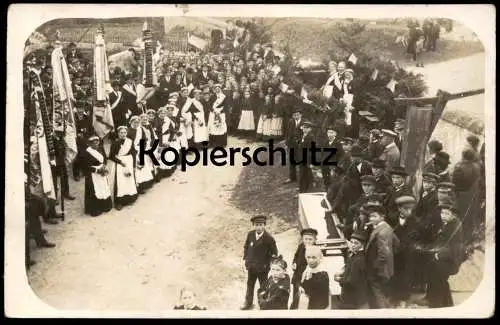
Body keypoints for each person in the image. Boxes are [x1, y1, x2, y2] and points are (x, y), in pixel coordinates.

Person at [416, 204, 465, 308]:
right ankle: (446, 303)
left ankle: (436, 304)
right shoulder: (447, 224)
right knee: (439, 279)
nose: (443, 215)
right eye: (442, 213)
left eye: (447, 213)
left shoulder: (454, 227)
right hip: (442, 257)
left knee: (438, 280)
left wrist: (440, 255)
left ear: (453, 215)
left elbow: (454, 246)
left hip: (448, 259)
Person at [364, 204, 399, 309]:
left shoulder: (382, 232)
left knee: (377, 292)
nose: (371, 219)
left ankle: (383, 311)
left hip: (379, 268)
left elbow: (383, 253)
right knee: (381, 291)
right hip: (384, 266)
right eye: (370, 216)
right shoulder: (387, 227)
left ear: (382, 217)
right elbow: (397, 244)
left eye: (374, 216)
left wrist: (377, 267)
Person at [241, 215, 278, 310]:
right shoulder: (250, 234)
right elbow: (246, 247)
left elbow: (274, 254)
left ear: (264, 225)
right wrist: (245, 259)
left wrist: (269, 265)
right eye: (256, 225)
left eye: (261, 224)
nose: (259, 227)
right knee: (250, 284)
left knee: (263, 287)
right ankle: (248, 303)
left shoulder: (269, 238)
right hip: (251, 267)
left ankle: (263, 304)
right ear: (254, 225)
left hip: (263, 268)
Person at [390, 195, 419, 307]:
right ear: (399, 209)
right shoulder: (393, 219)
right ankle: (395, 296)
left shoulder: (416, 222)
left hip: (408, 254)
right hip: (395, 253)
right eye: (405, 209)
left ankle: (404, 298)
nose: (409, 211)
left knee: (406, 276)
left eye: (410, 209)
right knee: (395, 273)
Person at [451, 148, 481, 249]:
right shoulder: (477, 166)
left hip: (461, 196)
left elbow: (454, 182)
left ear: (463, 155)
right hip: (472, 196)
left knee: (459, 218)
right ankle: (468, 241)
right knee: (469, 218)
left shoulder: (459, 166)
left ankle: (459, 242)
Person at [335, 229, 369, 309]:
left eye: (356, 243)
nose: (353, 245)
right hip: (358, 295)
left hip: (352, 297)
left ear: (362, 244)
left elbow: (351, 281)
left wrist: (338, 279)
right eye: (351, 242)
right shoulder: (358, 255)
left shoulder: (358, 260)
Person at [108, 126, 138, 210]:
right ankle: (119, 202)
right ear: (118, 133)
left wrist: (134, 165)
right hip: (119, 163)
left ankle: (129, 198)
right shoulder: (115, 143)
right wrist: (120, 162)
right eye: (121, 133)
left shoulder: (130, 142)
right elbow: (111, 156)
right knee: (120, 182)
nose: (123, 134)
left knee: (129, 180)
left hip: (129, 161)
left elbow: (133, 153)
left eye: (124, 132)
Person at [82, 136, 112, 217]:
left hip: (101, 171)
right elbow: (85, 166)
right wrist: (97, 171)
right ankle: (95, 209)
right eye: (93, 143)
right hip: (93, 174)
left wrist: (104, 166)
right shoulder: (86, 152)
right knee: (95, 190)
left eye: (97, 142)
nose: (96, 144)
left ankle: (105, 206)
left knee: (104, 187)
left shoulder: (100, 149)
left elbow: (105, 158)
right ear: (89, 144)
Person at [290, 228, 318, 309]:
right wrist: (294, 263)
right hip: (297, 276)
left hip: (307, 278)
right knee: (295, 295)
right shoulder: (301, 246)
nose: (308, 241)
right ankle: (294, 309)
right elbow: (296, 256)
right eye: (305, 239)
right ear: (302, 239)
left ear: (315, 240)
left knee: (304, 297)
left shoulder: (316, 250)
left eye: (310, 239)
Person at [299, 245, 330, 309]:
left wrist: (308, 281)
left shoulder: (323, 274)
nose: (310, 260)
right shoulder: (307, 270)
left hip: (318, 307)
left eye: (314, 257)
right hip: (309, 303)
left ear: (320, 258)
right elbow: (303, 285)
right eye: (308, 257)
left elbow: (310, 291)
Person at [284, 107, 303, 184]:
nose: (296, 116)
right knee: (292, 161)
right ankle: (292, 177)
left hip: (300, 144)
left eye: (298, 115)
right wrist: (287, 144)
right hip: (292, 144)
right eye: (294, 115)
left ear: (301, 115)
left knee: (301, 160)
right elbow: (288, 133)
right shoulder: (291, 122)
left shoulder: (304, 122)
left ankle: (303, 178)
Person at [297, 120, 316, 193]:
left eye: (307, 128)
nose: (304, 129)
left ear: (310, 129)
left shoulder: (310, 137)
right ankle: (304, 188)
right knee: (303, 174)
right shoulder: (304, 136)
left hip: (306, 159)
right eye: (304, 127)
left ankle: (303, 191)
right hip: (302, 157)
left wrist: (309, 161)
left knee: (303, 175)